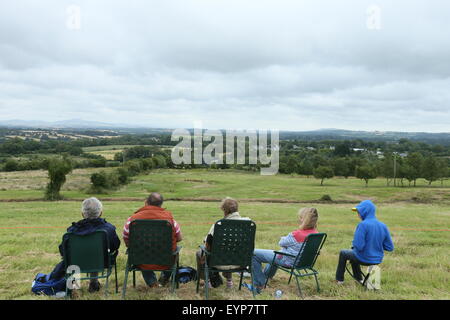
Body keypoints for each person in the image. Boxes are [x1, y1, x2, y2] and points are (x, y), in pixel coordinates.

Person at [49, 197, 121, 293]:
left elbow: (63, 250)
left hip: (76, 263)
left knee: (71, 258)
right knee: (95, 255)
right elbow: (115, 246)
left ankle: (74, 287)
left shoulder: (72, 231)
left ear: (82, 214)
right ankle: (93, 283)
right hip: (102, 261)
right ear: (101, 213)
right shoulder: (108, 229)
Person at [245, 207, 319, 294]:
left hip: (288, 261)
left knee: (253, 253)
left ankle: (258, 284)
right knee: (275, 254)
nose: (299, 219)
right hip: (303, 262)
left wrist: (284, 238)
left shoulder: (297, 234)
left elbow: (281, 242)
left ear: (304, 220)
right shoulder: (316, 234)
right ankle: (266, 277)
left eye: (300, 217)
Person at [122, 192, 182, 287]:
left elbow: (126, 237)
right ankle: (164, 279)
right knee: (175, 254)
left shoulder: (132, 220)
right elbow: (179, 238)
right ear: (161, 205)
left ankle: (152, 283)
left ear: (146, 203)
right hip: (166, 259)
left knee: (143, 253)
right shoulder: (170, 220)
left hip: (140, 259)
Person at [196, 197, 251, 289]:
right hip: (241, 262)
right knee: (231, 250)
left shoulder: (219, 225)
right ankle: (229, 282)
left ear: (224, 210)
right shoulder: (248, 223)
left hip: (219, 262)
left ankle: (207, 282)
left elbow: (208, 246)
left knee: (199, 253)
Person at [335, 199, 394, 284]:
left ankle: (339, 280)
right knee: (354, 253)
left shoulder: (363, 225)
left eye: (358, 212)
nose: (358, 215)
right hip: (377, 259)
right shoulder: (383, 225)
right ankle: (359, 279)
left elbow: (359, 246)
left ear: (364, 212)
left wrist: (354, 244)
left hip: (364, 258)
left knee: (344, 253)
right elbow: (390, 247)